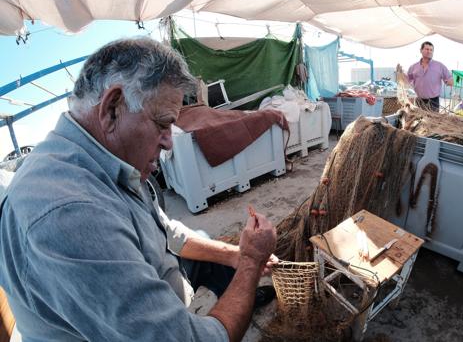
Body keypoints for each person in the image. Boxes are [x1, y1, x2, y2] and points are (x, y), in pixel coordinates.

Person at [0, 37, 278, 341]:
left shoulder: (111, 159)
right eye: (162, 124)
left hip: (163, 280)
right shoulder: (69, 213)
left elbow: (168, 231)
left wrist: (237, 255)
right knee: (236, 280)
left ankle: (238, 300)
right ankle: (237, 305)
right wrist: (251, 263)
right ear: (113, 109)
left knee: (209, 245)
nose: (169, 141)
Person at [407, 41, 454, 112]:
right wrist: (400, 74)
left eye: (431, 50)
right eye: (427, 49)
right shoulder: (413, 67)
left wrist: (449, 81)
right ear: (421, 50)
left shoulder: (439, 66)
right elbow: (407, 80)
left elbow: (449, 79)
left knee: (433, 122)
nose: (429, 51)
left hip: (433, 102)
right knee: (419, 120)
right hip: (419, 100)